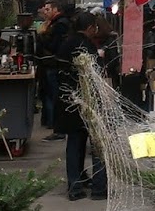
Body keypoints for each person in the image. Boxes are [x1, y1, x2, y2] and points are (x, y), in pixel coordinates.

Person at [55, 11, 108, 201]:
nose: (96, 30)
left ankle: (76, 182)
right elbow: (92, 76)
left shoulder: (67, 42)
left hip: (67, 100)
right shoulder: (84, 46)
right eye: (94, 26)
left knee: (75, 144)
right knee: (88, 144)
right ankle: (81, 187)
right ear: (89, 28)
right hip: (83, 103)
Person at [36, 0, 71, 136]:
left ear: (55, 9)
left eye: (48, 9)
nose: (45, 12)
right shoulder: (54, 23)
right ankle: (50, 121)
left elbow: (54, 45)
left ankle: (55, 124)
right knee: (49, 93)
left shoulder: (59, 25)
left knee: (53, 94)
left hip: (53, 64)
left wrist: (43, 36)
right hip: (50, 64)